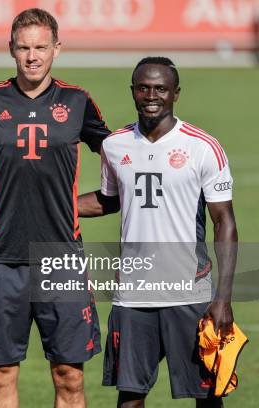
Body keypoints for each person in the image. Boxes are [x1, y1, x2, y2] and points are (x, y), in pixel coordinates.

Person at [0, 8, 110, 408]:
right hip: (1, 260)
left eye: (41, 47)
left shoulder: (77, 102)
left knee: (69, 376)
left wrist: (83, 208)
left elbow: (121, 158)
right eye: (23, 48)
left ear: (57, 48)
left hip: (62, 257)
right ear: (11, 50)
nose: (32, 56)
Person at [78, 57, 238, 407]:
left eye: (161, 89)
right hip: (133, 296)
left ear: (175, 93)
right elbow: (109, 200)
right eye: (143, 87)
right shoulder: (115, 145)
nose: (151, 95)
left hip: (190, 293)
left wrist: (223, 298)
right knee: (130, 396)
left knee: (206, 396)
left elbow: (224, 222)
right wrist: (58, 206)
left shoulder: (203, 147)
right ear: (133, 91)